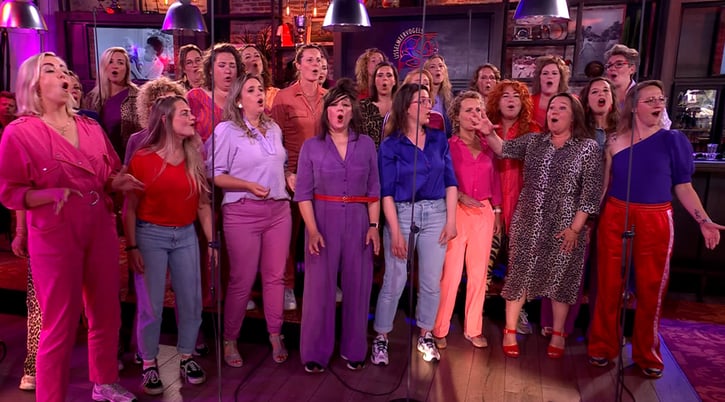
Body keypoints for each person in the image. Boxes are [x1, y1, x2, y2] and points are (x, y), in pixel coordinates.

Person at [0, 52, 143, 402]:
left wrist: (118, 182)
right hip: (55, 233)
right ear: (34, 85)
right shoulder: (20, 132)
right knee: (60, 322)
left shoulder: (90, 127)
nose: (62, 74)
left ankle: (105, 382)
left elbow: (108, 173)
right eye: (50, 69)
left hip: (99, 226)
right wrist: (47, 194)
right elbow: (10, 192)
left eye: (64, 68)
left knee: (106, 311)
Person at [588, 80, 725, 378]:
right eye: (650, 100)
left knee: (652, 288)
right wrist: (589, 221)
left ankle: (646, 353)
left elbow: (684, 187)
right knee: (608, 285)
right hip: (615, 214)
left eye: (660, 99)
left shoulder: (673, 140)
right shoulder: (614, 141)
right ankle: (602, 346)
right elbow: (604, 185)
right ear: (633, 106)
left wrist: (703, 220)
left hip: (656, 217)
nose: (658, 104)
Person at [479, 93, 603, 359]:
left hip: (566, 225)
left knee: (561, 278)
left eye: (561, 108)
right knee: (519, 274)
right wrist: (489, 132)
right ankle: (510, 331)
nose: (553, 112)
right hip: (528, 220)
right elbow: (503, 149)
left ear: (574, 115)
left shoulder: (588, 148)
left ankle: (558, 333)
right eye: (551, 108)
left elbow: (590, 194)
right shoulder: (534, 141)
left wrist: (576, 228)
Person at [124, 95, 211, 395]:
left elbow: (203, 205)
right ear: (165, 119)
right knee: (151, 305)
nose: (192, 118)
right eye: (185, 113)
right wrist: (132, 247)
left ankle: (186, 356)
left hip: (185, 235)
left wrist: (212, 242)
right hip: (151, 236)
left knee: (191, 300)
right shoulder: (142, 158)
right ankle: (149, 362)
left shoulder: (194, 155)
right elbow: (130, 208)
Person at [295, 79, 381, 373]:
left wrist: (373, 225)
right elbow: (303, 194)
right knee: (319, 289)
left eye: (345, 105)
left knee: (358, 287)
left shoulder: (366, 144)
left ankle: (354, 349)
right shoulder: (311, 146)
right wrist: (312, 230)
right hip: (322, 220)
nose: (340, 110)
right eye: (334, 105)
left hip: (358, 220)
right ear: (326, 111)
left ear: (352, 110)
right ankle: (315, 353)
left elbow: (374, 189)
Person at [371, 83, 458, 365]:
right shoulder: (391, 145)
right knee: (395, 280)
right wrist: (395, 232)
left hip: (436, 213)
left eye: (428, 100)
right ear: (406, 107)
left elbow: (451, 181)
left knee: (431, 281)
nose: (429, 105)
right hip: (401, 213)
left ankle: (425, 334)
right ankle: (381, 337)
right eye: (421, 101)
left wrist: (451, 220)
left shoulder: (438, 139)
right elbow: (386, 192)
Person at [211, 74, 291, 367]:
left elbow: (279, 165)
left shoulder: (274, 128)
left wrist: (289, 177)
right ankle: (230, 338)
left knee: (275, 277)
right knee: (241, 279)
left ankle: (275, 333)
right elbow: (216, 175)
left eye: (260, 89)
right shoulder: (226, 130)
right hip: (242, 212)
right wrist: (247, 185)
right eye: (251, 90)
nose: (259, 94)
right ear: (238, 100)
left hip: (278, 211)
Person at [538, 78, 616, 338]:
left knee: (599, 272)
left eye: (605, 91)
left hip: (611, 205)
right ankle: (554, 324)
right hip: (573, 210)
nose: (600, 95)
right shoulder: (578, 133)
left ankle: (597, 329)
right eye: (594, 91)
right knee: (563, 262)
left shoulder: (622, 131)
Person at [432, 91, 501, 350]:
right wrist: (460, 195)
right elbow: (439, 178)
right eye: (469, 110)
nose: (475, 114)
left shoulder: (489, 146)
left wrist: (497, 211)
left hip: (483, 212)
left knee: (479, 274)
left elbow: (495, 179)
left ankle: (473, 328)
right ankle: (439, 328)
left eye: (478, 110)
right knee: (450, 274)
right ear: (457, 116)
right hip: (456, 211)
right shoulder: (448, 145)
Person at [271, 44, 327, 311]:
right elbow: (274, 141)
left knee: (322, 231)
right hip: (294, 175)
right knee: (289, 236)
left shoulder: (329, 97)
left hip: (324, 176)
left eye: (319, 60)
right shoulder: (283, 98)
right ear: (298, 65)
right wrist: (285, 173)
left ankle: (323, 282)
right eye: (310, 60)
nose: (316, 64)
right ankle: (287, 286)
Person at [485, 80, 541, 335]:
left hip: (523, 204)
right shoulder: (485, 129)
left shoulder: (534, 130)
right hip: (491, 203)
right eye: (505, 96)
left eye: (516, 96)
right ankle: (476, 313)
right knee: (484, 262)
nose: (510, 100)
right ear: (496, 101)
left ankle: (517, 313)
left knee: (519, 263)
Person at [83, 47, 141, 162]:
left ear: (126, 69)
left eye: (120, 63)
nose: (115, 66)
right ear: (103, 67)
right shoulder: (92, 98)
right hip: (99, 159)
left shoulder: (137, 96)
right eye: (110, 62)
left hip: (128, 158)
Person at [187, 43, 244, 145]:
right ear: (210, 70)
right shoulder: (195, 97)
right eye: (222, 65)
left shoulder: (245, 97)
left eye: (232, 66)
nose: (228, 71)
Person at [604, 44, 672, 129]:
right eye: (609, 65)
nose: (612, 68)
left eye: (619, 64)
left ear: (632, 69)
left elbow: (664, 127)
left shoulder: (647, 94)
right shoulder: (602, 95)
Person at [125, 77, 187, 164]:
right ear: (149, 108)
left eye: (173, 103)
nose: (168, 108)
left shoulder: (186, 136)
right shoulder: (136, 140)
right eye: (163, 103)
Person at [360, 62, 398, 148]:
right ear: (374, 81)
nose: (384, 79)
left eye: (389, 75)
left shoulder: (401, 107)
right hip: (369, 154)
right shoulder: (363, 106)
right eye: (380, 75)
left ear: (395, 81)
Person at [530, 55, 570, 128]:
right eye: (545, 73)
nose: (550, 76)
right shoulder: (528, 102)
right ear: (539, 77)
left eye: (554, 73)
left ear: (561, 78)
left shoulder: (571, 101)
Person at [239, 44, 279, 110]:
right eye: (248, 57)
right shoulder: (237, 96)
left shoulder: (276, 94)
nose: (254, 59)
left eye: (257, 56)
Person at [424, 54, 454, 136]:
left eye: (441, 66)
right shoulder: (421, 97)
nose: (438, 69)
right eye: (432, 67)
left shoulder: (450, 98)